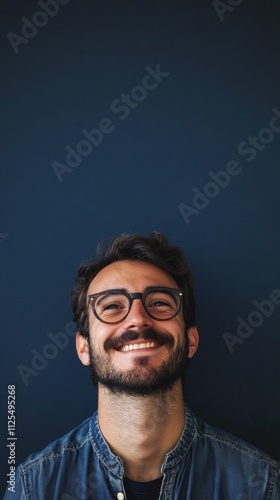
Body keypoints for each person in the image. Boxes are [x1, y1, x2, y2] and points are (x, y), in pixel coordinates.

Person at [5, 232, 280, 499]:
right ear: (83, 347)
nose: (137, 319)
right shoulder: (34, 488)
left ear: (191, 340)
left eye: (159, 303)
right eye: (112, 306)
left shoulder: (260, 483)